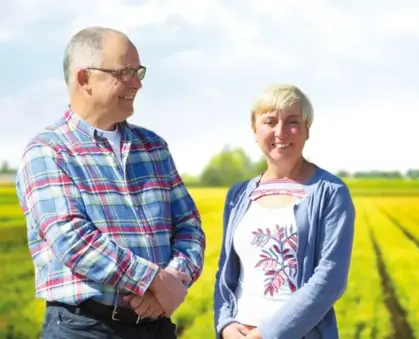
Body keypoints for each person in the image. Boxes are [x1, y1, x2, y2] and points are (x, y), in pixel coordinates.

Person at [15, 26, 206, 339]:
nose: (137, 83)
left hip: (155, 327)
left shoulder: (153, 146)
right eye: (124, 72)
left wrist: (175, 276)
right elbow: (73, 240)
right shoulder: (48, 151)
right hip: (85, 328)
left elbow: (189, 227)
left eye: (138, 71)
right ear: (84, 79)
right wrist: (154, 281)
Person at [213, 84, 355, 339]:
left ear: (306, 130)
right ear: (254, 129)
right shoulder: (238, 195)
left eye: (292, 122)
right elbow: (226, 270)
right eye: (269, 121)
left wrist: (266, 334)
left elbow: (331, 277)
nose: (280, 132)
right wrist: (225, 325)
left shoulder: (331, 192)